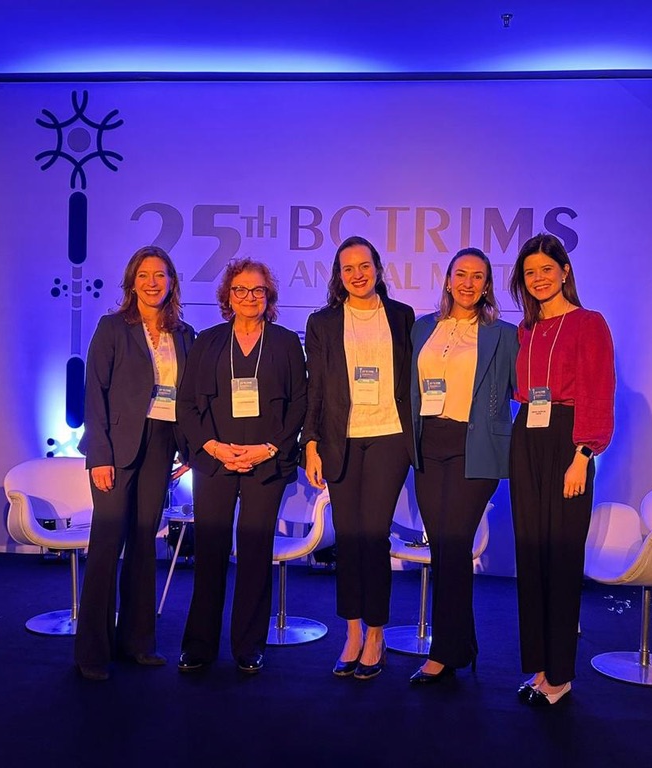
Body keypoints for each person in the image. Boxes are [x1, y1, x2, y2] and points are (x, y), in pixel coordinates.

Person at [176, 258, 307, 675]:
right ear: (226, 296)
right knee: (209, 552)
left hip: (265, 463)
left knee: (254, 554)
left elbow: (300, 403)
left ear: (268, 297)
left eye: (257, 291)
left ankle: (250, 644)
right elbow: (186, 404)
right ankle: (199, 645)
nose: (249, 297)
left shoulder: (286, 342)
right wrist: (213, 446)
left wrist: (269, 448)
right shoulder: (208, 341)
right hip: (215, 461)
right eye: (240, 290)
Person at [75, 245, 195, 681]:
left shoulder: (185, 334)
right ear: (132, 282)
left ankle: (138, 642)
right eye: (144, 275)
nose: (152, 283)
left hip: (162, 443)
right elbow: (94, 395)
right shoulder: (112, 328)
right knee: (107, 545)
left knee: (146, 543)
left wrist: (189, 450)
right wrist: (99, 455)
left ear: (171, 282)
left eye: (160, 275)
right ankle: (92, 651)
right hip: (116, 449)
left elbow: (190, 397)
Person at [507, 233, 615, 705]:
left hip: (569, 442)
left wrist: (583, 454)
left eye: (546, 270)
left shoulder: (589, 323)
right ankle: (540, 667)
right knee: (530, 555)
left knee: (562, 556)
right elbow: (519, 390)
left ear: (565, 271)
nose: (538, 279)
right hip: (526, 436)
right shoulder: (525, 331)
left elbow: (596, 392)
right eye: (530, 273)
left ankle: (562, 674)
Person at [303, 235, 415, 680]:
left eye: (364, 265)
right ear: (338, 275)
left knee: (374, 536)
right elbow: (315, 389)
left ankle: (376, 633)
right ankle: (351, 631)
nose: (357, 274)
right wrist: (309, 443)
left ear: (377, 268)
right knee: (347, 537)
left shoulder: (403, 317)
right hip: (340, 440)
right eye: (348, 268)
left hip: (389, 437)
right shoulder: (323, 322)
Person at [407, 248, 518, 684]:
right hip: (428, 445)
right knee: (443, 548)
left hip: (477, 450)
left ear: (487, 284)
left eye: (478, 276)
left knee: (454, 542)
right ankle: (461, 644)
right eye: (461, 274)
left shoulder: (503, 334)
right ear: (448, 279)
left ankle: (444, 652)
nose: (469, 283)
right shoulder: (422, 328)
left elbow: (522, 389)